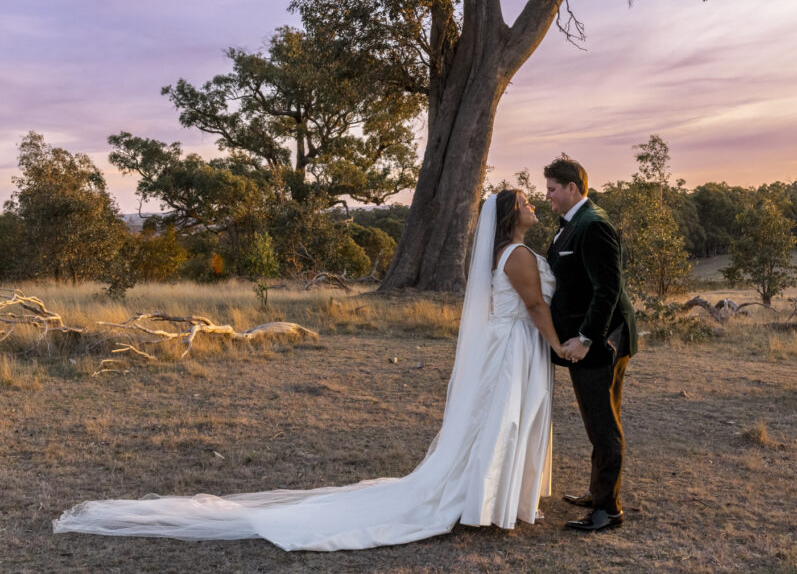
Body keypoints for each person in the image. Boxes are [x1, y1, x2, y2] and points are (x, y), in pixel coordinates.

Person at [53, 190, 563, 551]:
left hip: (510, 347)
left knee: (496, 421)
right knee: (500, 420)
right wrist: (564, 345)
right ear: (509, 215)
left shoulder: (508, 250)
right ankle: (482, 501)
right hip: (516, 345)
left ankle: (490, 498)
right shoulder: (515, 254)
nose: (533, 206)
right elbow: (536, 308)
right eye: (525, 202)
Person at [544, 155, 637, 533]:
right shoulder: (572, 223)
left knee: (604, 424)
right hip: (589, 342)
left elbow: (608, 291)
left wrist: (585, 338)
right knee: (596, 421)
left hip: (602, 344)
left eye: (552, 189)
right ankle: (598, 493)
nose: (547, 195)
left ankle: (608, 510)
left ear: (572, 188)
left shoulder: (594, 225)